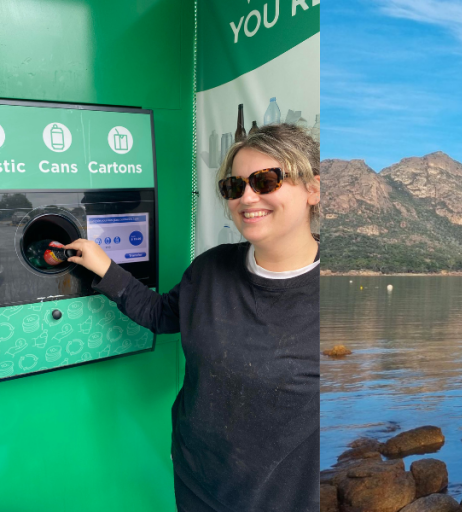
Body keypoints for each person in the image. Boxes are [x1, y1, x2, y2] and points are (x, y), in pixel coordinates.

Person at [65, 123, 321, 511]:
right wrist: (106, 268)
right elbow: (160, 314)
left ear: (312, 189)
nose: (247, 197)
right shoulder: (210, 269)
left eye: (266, 180)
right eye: (234, 187)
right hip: (197, 483)